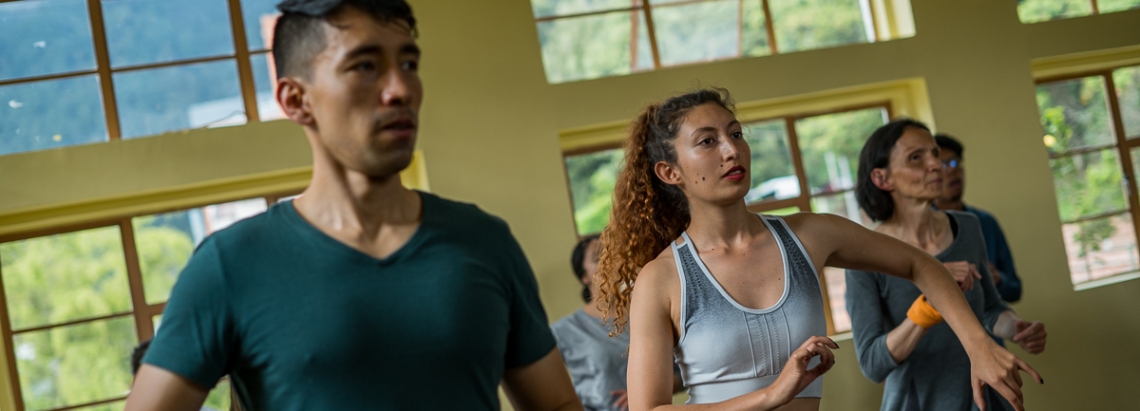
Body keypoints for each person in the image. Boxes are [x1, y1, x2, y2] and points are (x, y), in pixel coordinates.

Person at [124, 1, 581, 410]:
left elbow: (556, 404)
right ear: (296, 100)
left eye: (409, 63)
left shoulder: (484, 240)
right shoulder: (230, 265)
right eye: (365, 67)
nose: (400, 89)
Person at [595, 88, 1041, 411]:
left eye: (736, 134)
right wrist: (772, 394)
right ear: (670, 172)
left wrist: (979, 345)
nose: (732, 150)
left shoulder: (809, 234)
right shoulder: (663, 278)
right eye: (708, 141)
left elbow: (920, 264)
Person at [845, 119, 1047, 411]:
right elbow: (872, 364)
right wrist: (926, 309)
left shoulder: (968, 227)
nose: (936, 165)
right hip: (918, 402)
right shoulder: (864, 255)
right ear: (882, 178)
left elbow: (989, 309)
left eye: (935, 154)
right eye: (916, 157)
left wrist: (1015, 327)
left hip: (986, 399)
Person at [552, 235, 682, 411]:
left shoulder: (648, 312)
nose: (609, 261)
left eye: (612, 253)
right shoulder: (565, 330)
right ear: (584, 277)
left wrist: (643, 394)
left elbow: (681, 372)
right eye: (598, 258)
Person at [934, 133, 1022, 303]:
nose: (952, 170)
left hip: (990, 323)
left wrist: (998, 280)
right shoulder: (921, 229)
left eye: (955, 163)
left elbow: (1015, 289)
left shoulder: (985, 222)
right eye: (943, 165)